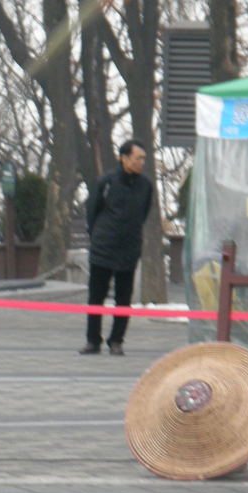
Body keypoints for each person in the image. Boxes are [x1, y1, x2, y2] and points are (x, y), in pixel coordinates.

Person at [80, 138, 153, 356]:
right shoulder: (107, 182)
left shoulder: (146, 185)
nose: (141, 162)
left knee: (123, 298)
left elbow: (144, 214)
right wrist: (98, 236)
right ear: (124, 158)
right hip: (104, 247)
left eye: (143, 159)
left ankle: (116, 340)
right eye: (138, 158)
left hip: (129, 249)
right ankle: (93, 340)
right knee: (96, 297)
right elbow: (92, 211)